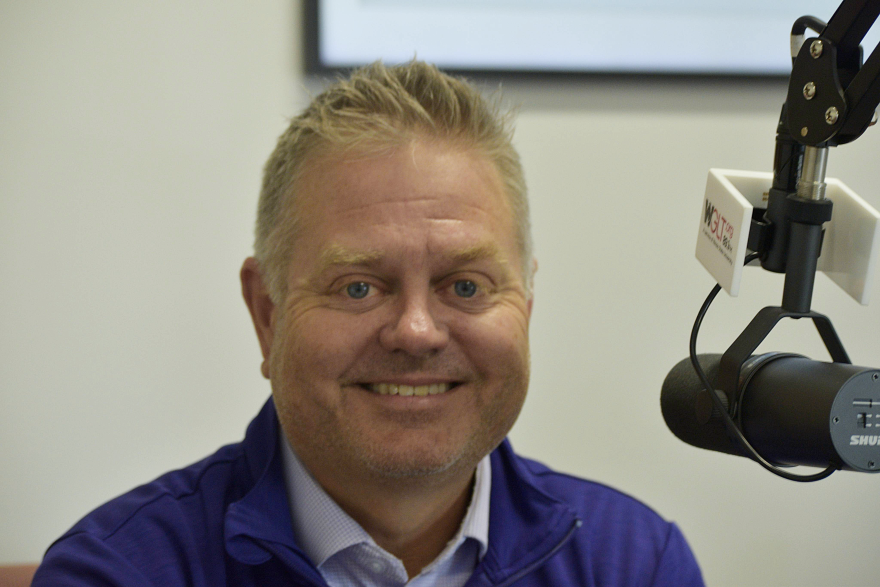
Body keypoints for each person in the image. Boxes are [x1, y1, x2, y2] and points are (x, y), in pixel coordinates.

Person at [32, 60, 704, 587]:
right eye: (359, 286)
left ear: (525, 306)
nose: (416, 330)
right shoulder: (121, 573)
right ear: (267, 315)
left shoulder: (636, 566)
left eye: (465, 285)